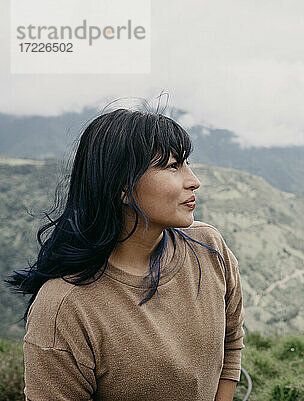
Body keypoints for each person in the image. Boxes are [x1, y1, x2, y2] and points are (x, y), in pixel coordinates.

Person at [6, 108, 245, 401]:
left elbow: (231, 341)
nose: (193, 180)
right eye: (172, 166)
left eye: (187, 163)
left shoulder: (209, 247)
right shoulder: (65, 308)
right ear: (122, 186)